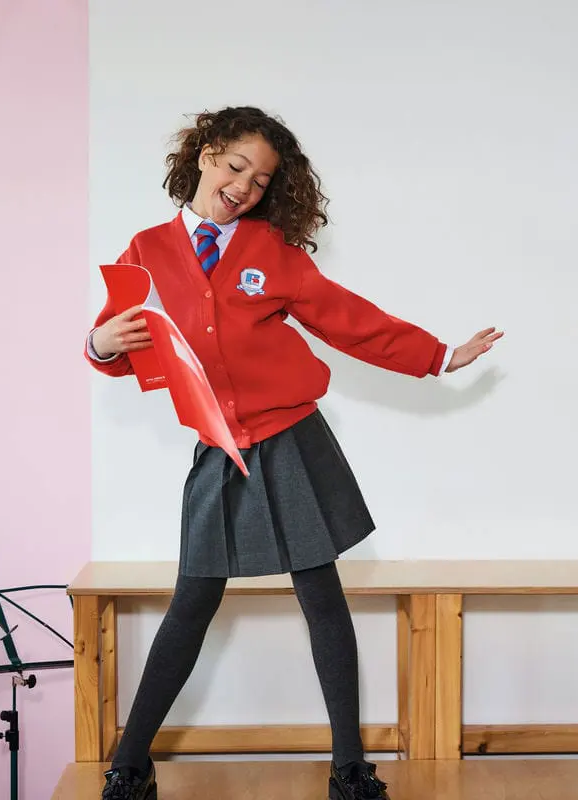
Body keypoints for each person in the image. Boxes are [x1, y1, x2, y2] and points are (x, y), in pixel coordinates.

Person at [85, 106, 502, 800]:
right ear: (205, 155)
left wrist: (437, 356)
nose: (244, 187)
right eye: (235, 167)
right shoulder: (146, 250)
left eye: (260, 181)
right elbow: (118, 340)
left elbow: (346, 318)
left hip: (291, 439)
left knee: (320, 593)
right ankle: (130, 764)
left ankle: (349, 767)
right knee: (192, 600)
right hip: (219, 445)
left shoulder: (271, 250)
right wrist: (100, 345)